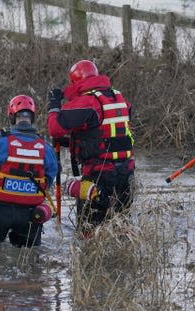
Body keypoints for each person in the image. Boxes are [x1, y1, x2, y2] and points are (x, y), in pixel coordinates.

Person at [46, 59, 135, 233]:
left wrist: (54, 105)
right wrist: (72, 142)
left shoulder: (87, 101)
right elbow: (103, 133)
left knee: (89, 233)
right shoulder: (118, 97)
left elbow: (54, 128)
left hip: (99, 177)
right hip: (126, 175)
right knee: (118, 229)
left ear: (75, 82)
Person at [0, 94, 58, 247]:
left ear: (11, 117)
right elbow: (49, 178)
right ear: (33, 117)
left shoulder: (2, 141)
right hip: (30, 213)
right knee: (28, 260)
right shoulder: (46, 148)